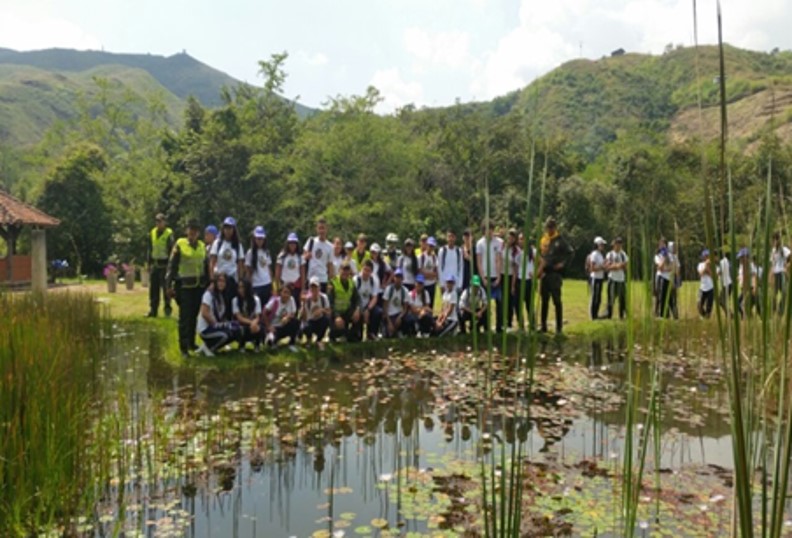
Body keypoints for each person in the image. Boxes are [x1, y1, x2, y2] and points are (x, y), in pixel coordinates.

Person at [165, 220, 207, 358]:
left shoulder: (202, 246)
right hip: (184, 287)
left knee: (194, 316)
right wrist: (168, 285)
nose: (193, 233)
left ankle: (191, 342)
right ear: (186, 231)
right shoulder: (180, 244)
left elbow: (205, 266)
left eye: (195, 230)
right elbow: (172, 267)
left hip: (198, 286)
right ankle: (183, 348)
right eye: (191, 230)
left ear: (198, 233)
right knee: (184, 317)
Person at [537, 217, 574, 334]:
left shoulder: (560, 240)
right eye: (548, 227)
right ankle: (543, 326)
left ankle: (559, 327)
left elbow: (571, 253)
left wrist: (563, 264)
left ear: (555, 227)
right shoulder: (544, 239)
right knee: (544, 301)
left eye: (551, 227)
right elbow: (540, 254)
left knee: (557, 300)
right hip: (544, 273)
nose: (549, 229)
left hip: (555, 274)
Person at [196, 273, 240, 357]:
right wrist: (217, 325)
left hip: (215, 326)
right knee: (225, 335)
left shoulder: (221, 296)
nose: (221, 283)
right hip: (205, 329)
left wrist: (226, 324)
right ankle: (209, 348)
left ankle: (209, 345)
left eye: (223, 281)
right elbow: (204, 313)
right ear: (215, 282)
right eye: (219, 281)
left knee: (235, 328)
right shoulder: (208, 294)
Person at [209, 216, 245, 313]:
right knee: (218, 306)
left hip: (232, 279)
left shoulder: (238, 245)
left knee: (231, 306)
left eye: (230, 228)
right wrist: (212, 280)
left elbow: (240, 264)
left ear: (234, 230)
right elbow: (212, 262)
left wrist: (241, 281)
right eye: (226, 228)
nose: (228, 230)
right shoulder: (218, 243)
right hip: (219, 279)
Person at [476, 222, 504, 332]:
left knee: (499, 303)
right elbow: (479, 262)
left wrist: (498, 277)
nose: (490, 232)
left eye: (491, 229)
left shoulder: (499, 242)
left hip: (495, 276)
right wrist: (483, 278)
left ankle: (499, 326)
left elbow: (499, 260)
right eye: (487, 229)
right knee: (485, 303)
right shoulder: (480, 243)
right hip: (485, 276)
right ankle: (486, 326)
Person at [147, 213, 174, 318]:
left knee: (166, 288)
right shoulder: (152, 233)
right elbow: (150, 249)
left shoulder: (168, 234)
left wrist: (171, 266)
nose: (158, 223)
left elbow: (172, 250)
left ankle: (167, 309)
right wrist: (149, 263)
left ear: (164, 222)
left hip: (165, 264)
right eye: (156, 221)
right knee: (153, 289)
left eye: (160, 221)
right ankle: (153, 310)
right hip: (155, 263)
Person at [328, 261, 362, 341]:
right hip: (335, 314)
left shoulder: (351, 283)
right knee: (336, 333)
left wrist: (357, 310)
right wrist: (337, 316)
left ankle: (353, 337)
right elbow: (330, 303)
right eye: (343, 272)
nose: (345, 275)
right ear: (339, 271)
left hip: (346, 311)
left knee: (360, 315)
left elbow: (357, 298)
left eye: (347, 273)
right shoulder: (333, 283)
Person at [303, 218, 335, 293]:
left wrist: (330, 282)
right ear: (317, 229)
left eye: (323, 228)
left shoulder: (330, 246)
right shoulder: (311, 241)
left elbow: (330, 266)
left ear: (327, 229)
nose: (322, 231)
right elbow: (302, 258)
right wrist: (306, 256)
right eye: (320, 228)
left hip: (323, 279)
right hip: (310, 278)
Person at [275, 232, 306, 309]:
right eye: (290, 243)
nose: (292, 245)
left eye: (294, 243)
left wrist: (303, 289)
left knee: (295, 308)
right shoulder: (282, 256)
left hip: (296, 287)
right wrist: (276, 288)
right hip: (284, 286)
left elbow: (303, 274)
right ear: (287, 244)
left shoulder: (300, 257)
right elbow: (277, 274)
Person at [245, 226, 273, 309]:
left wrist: (272, 284)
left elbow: (269, 269)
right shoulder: (250, 253)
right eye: (258, 238)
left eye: (261, 238)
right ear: (254, 239)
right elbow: (248, 270)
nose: (259, 241)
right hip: (256, 285)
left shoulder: (266, 252)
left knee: (267, 309)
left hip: (267, 284)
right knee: (257, 308)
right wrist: (250, 286)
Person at [355, 259, 382, 340]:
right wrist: (359, 309)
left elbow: (374, 297)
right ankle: (357, 334)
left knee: (378, 312)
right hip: (357, 305)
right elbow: (354, 298)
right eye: (365, 270)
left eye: (368, 271)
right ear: (361, 269)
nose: (366, 273)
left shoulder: (374, 280)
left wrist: (368, 310)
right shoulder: (356, 280)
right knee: (357, 337)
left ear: (371, 272)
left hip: (368, 304)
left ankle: (372, 333)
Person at [233, 278, 263, 351]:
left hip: (253, 323)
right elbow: (239, 317)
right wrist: (251, 323)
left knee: (260, 327)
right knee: (241, 329)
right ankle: (241, 345)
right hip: (242, 324)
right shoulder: (235, 300)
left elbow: (258, 316)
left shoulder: (256, 299)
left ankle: (257, 345)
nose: (241, 290)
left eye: (243, 287)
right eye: (239, 287)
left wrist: (254, 323)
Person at [514, 233, 536, 328]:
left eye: (522, 239)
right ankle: (521, 325)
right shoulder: (518, 252)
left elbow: (541, 263)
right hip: (519, 280)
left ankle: (532, 324)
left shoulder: (532, 251)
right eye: (519, 239)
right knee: (518, 304)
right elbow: (516, 268)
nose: (520, 241)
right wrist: (513, 284)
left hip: (528, 281)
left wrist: (535, 273)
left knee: (529, 304)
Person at [301, 276, 331, 346]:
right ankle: (309, 339)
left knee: (326, 320)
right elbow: (304, 318)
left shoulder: (324, 298)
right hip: (310, 321)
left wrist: (321, 310)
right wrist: (303, 305)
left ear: (319, 288)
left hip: (320, 321)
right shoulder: (306, 300)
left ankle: (319, 340)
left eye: (316, 287)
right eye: (312, 287)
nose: (314, 290)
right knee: (305, 327)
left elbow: (329, 312)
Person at [604, 238, 628, 320]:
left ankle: (621, 316)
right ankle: (609, 315)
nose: (618, 246)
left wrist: (617, 266)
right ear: (614, 245)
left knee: (622, 299)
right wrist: (618, 266)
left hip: (621, 279)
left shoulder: (623, 254)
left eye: (620, 244)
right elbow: (607, 267)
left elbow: (626, 266)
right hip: (612, 278)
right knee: (611, 298)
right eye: (617, 244)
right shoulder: (610, 254)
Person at [383, 268, 411, 338]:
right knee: (388, 335)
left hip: (399, 314)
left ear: (402, 279)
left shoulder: (405, 291)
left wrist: (400, 317)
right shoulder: (389, 289)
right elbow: (385, 307)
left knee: (409, 319)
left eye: (400, 277)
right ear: (394, 278)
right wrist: (389, 322)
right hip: (389, 315)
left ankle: (402, 332)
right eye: (396, 277)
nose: (398, 279)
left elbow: (405, 308)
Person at [503, 229, 520, 328]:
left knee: (509, 301)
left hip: (510, 277)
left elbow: (515, 270)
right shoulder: (502, 246)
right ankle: (501, 322)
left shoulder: (516, 251)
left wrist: (513, 285)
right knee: (502, 301)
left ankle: (509, 323)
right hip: (501, 275)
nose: (510, 239)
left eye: (512, 238)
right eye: (509, 237)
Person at [771, 232, 790, 314]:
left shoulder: (784, 249)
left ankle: (780, 310)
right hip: (775, 273)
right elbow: (772, 263)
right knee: (774, 294)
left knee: (784, 293)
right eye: (774, 240)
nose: (775, 242)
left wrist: (786, 267)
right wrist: (770, 274)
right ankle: (774, 310)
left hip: (782, 273)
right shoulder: (773, 251)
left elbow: (790, 258)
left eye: (776, 239)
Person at [588, 237, 607, 320]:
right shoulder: (594, 254)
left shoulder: (600, 254)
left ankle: (596, 314)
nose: (603, 246)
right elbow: (592, 268)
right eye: (601, 244)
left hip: (600, 277)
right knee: (594, 297)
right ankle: (593, 315)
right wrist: (602, 267)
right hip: (595, 278)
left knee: (598, 297)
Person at [737, 247, 759, 318]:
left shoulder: (750, 265)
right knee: (740, 304)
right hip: (743, 288)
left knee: (742, 304)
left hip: (749, 288)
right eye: (740, 257)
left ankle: (746, 318)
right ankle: (748, 317)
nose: (740, 259)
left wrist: (754, 287)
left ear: (746, 257)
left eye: (741, 257)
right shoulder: (741, 265)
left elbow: (754, 276)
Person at [418, 236, 439, 308]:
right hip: (423, 285)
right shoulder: (421, 257)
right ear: (426, 245)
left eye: (432, 246)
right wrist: (430, 275)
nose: (431, 248)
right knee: (423, 304)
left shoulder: (434, 257)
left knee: (431, 305)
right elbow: (420, 272)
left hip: (432, 285)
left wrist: (426, 274)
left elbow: (436, 273)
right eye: (430, 245)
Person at [654, 241, 673, 318]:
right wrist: (664, 258)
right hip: (660, 277)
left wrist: (666, 268)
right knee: (660, 296)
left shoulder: (670, 256)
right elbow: (660, 267)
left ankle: (667, 314)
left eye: (663, 244)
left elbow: (671, 268)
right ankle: (661, 314)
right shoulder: (657, 256)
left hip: (668, 278)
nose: (662, 246)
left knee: (667, 297)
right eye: (660, 244)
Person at [698, 249, 714, 319]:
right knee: (699, 304)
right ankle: (704, 316)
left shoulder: (713, 265)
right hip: (702, 287)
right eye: (706, 256)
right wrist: (706, 267)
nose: (707, 257)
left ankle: (708, 317)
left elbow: (714, 276)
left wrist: (708, 269)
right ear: (703, 257)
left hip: (710, 287)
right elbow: (701, 273)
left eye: (708, 256)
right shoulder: (700, 265)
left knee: (709, 306)